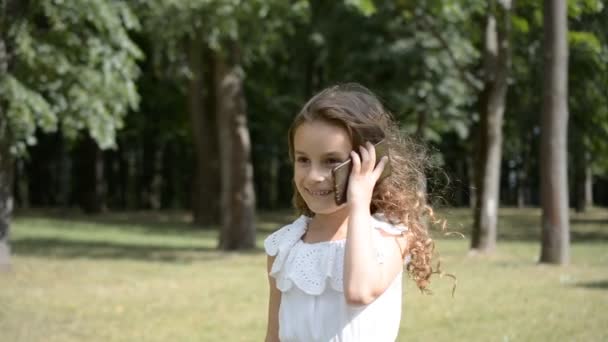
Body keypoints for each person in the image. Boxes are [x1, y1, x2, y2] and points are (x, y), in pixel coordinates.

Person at [264, 83, 440, 342]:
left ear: (369, 162)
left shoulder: (390, 238)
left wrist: (359, 201)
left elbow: (359, 291)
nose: (314, 176)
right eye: (303, 160)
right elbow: (273, 337)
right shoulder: (285, 246)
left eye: (332, 161)